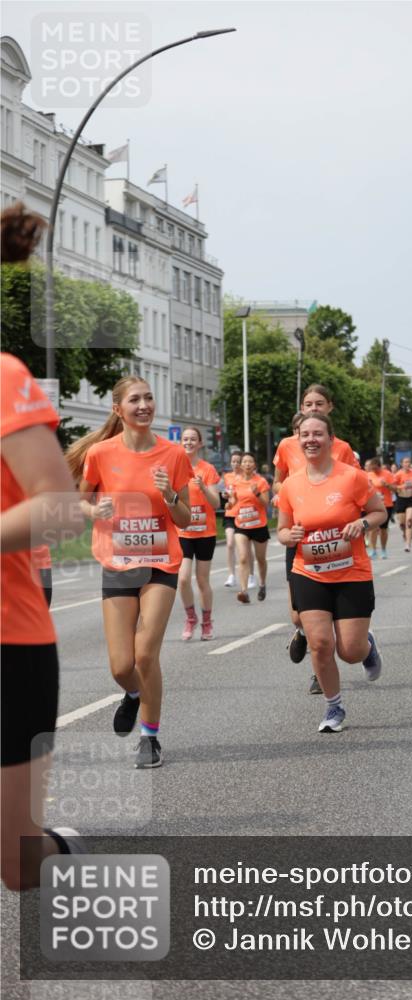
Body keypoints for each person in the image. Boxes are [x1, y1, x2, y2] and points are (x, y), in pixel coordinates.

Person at [1, 203, 88, 889]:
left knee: (16, 866)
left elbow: (59, 507)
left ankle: (58, 854)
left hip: (9, 644)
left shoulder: (5, 379)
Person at [67, 376, 192, 769]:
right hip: (118, 562)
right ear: (118, 410)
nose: (144, 405)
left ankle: (150, 737)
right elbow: (80, 501)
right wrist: (94, 511)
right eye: (135, 400)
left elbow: (185, 519)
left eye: (149, 398)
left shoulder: (173, 455)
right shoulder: (101, 454)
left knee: (144, 654)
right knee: (121, 666)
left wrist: (170, 494)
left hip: (160, 562)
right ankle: (134, 695)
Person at [277, 414, 386, 733]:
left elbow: (379, 512)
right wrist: (289, 537)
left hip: (351, 573)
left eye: (318, 434)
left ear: (330, 439)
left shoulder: (353, 477)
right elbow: (282, 530)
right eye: (305, 435)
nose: (310, 439)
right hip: (308, 572)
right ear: (298, 440)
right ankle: (333, 707)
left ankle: (366, 646)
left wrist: (362, 523)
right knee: (321, 644)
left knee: (348, 651)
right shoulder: (291, 485)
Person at [273, 385, 357, 692]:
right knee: (298, 615)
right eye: (308, 404)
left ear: (329, 407)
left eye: (319, 404)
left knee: (331, 614)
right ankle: (305, 634)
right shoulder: (287, 445)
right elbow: (278, 482)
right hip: (299, 536)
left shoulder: (342, 448)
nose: (313, 408)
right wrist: (279, 497)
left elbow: (356, 490)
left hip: (335, 539)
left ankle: (319, 670)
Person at [177, 427, 221, 640]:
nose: (189, 442)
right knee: (183, 579)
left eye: (193, 439)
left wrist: (203, 488)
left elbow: (216, 503)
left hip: (205, 533)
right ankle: (190, 618)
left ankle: (207, 622)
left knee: (202, 580)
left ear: (200, 443)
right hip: (183, 532)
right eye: (185, 439)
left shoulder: (208, 469)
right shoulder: (175, 467)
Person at [225, 452, 270, 603]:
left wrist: (257, 493)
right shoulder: (236, 482)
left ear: (255, 465)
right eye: (244, 462)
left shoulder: (261, 481)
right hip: (241, 524)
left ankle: (262, 584)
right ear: (241, 465)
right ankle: (243, 591)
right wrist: (229, 504)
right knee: (243, 557)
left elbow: (265, 503)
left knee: (260, 559)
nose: (247, 464)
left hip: (259, 525)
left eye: (250, 462)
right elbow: (232, 502)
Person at [222, 451, 253, 589]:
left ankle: (251, 575)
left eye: (237, 461)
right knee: (229, 544)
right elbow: (226, 493)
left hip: (244, 514)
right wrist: (224, 495)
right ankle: (231, 575)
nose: (235, 464)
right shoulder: (227, 476)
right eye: (232, 461)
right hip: (230, 513)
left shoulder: (247, 477)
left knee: (246, 549)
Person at [366, 456, 394, 558]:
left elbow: (395, 489)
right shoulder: (368, 475)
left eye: (375, 468)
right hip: (373, 506)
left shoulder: (387, 474)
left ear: (379, 466)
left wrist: (387, 485)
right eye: (372, 468)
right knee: (373, 528)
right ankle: (373, 550)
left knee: (383, 529)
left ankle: (383, 549)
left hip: (386, 504)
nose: (373, 470)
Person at [393, 455, 412, 552]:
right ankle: (404, 533)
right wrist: (402, 486)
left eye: (408, 462)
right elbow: (394, 487)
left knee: (409, 521)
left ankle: (408, 544)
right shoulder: (398, 474)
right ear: (402, 464)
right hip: (401, 499)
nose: (407, 464)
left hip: (411, 500)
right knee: (402, 524)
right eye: (405, 462)